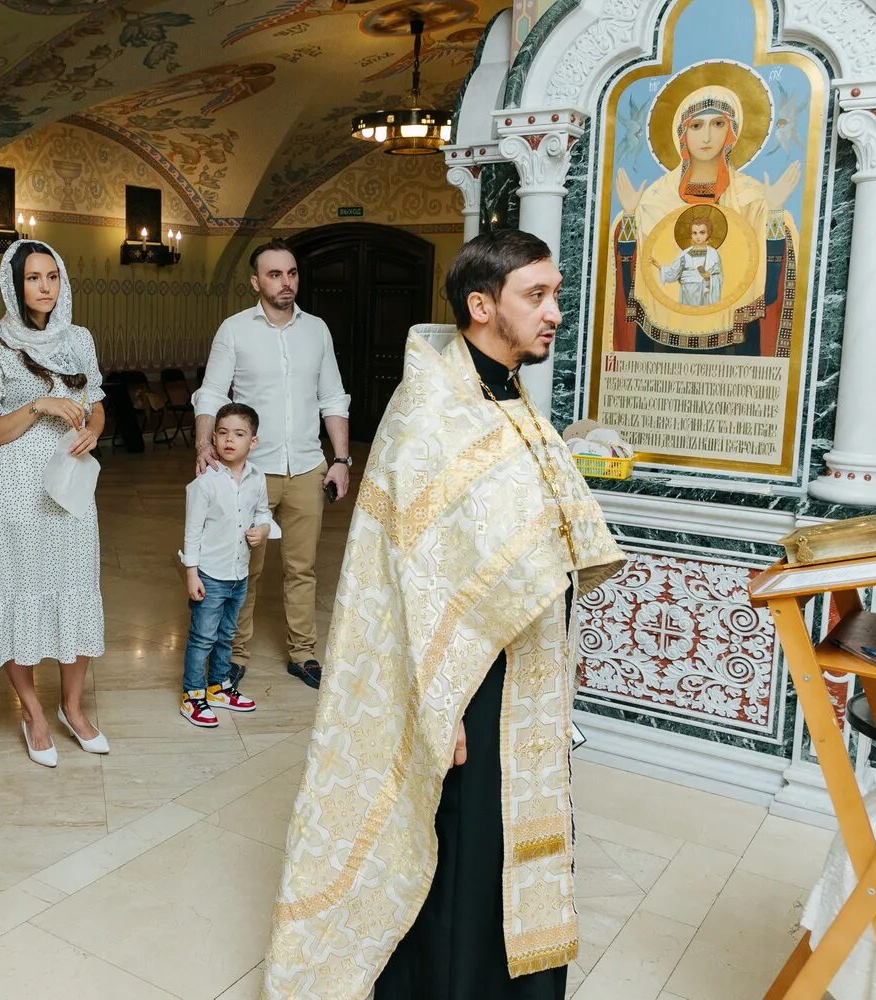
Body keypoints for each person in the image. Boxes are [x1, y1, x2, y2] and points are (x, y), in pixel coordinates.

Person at [265, 230, 626, 999]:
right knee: (462, 836)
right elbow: (411, 575)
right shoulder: (431, 408)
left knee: (506, 833)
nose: (554, 312)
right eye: (538, 296)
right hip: (460, 675)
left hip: (519, 662)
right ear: (481, 304)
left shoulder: (505, 392)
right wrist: (441, 700)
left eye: (555, 294)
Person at [0, 240, 108, 767]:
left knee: (75, 587)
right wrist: (39, 404)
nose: (45, 287)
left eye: (53, 276)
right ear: (14, 285)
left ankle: (72, 707)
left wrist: (91, 431)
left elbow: (96, 407)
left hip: (70, 483)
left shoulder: (80, 340)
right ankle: (32, 711)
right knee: (16, 590)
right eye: (33, 278)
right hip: (16, 488)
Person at [192, 239, 351, 689]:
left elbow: (332, 397)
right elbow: (212, 393)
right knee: (241, 568)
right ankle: (232, 655)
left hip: (305, 467)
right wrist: (204, 444)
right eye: (276, 275)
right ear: (256, 282)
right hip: (249, 474)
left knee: (302, 569)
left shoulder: (317, 329)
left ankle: (302, 654)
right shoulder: (235, 330)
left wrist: (340, 459)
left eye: (292, 273)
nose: (287, 283)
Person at [612, 80, 801, 356]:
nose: (707, 137)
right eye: (696, 126)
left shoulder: (751, 195)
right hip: (664, 337)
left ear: (732, 131)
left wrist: (773, 212)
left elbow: (770, 283)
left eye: (718, 124)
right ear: (682, 133)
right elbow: (633, 281)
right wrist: (629, 217)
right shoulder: (655, 197)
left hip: (734, 337)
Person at [179, 401, 268, 728]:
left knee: (227, 634)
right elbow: (192, 531)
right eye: (222, 433)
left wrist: (264, 529)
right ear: (213, 438)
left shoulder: (257, 478)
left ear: (253, 442)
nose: (229, 439)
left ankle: (218, 686)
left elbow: (263, 512)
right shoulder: (205, 482)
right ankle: (193, 694)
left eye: (239, 434)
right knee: (202, 636)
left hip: (239, 573)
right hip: (210, 574)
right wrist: (192, 573)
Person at [652, 210, 723, 306]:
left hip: (704, 292)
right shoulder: (685, 254)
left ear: (708, 233)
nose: (698, 236)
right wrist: (659, 266)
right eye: (694, 233)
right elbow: (674, 271)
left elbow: (718, 277)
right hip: (687, 291)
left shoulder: (713, 254)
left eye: (702, 232)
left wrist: (708, 277)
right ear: (691, 234)